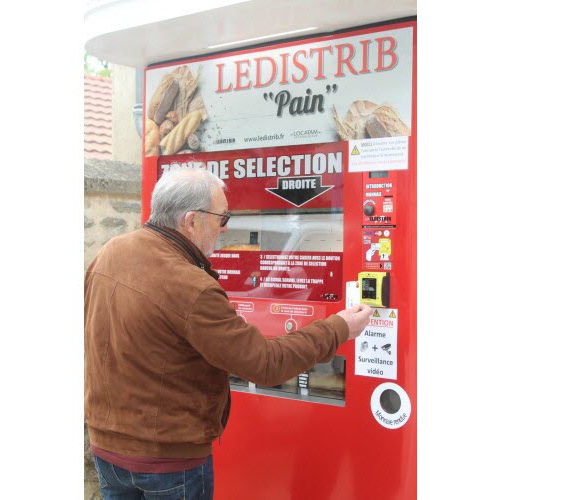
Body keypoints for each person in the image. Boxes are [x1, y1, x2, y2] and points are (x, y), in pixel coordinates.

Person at [84, 167, 373, 499]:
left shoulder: (111, 251)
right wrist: (339, 327)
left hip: (108, 450)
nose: (225, 228)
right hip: (166, 463)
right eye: (222, 217)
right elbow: (265, 364)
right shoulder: (191, 286)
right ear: (191, 221)